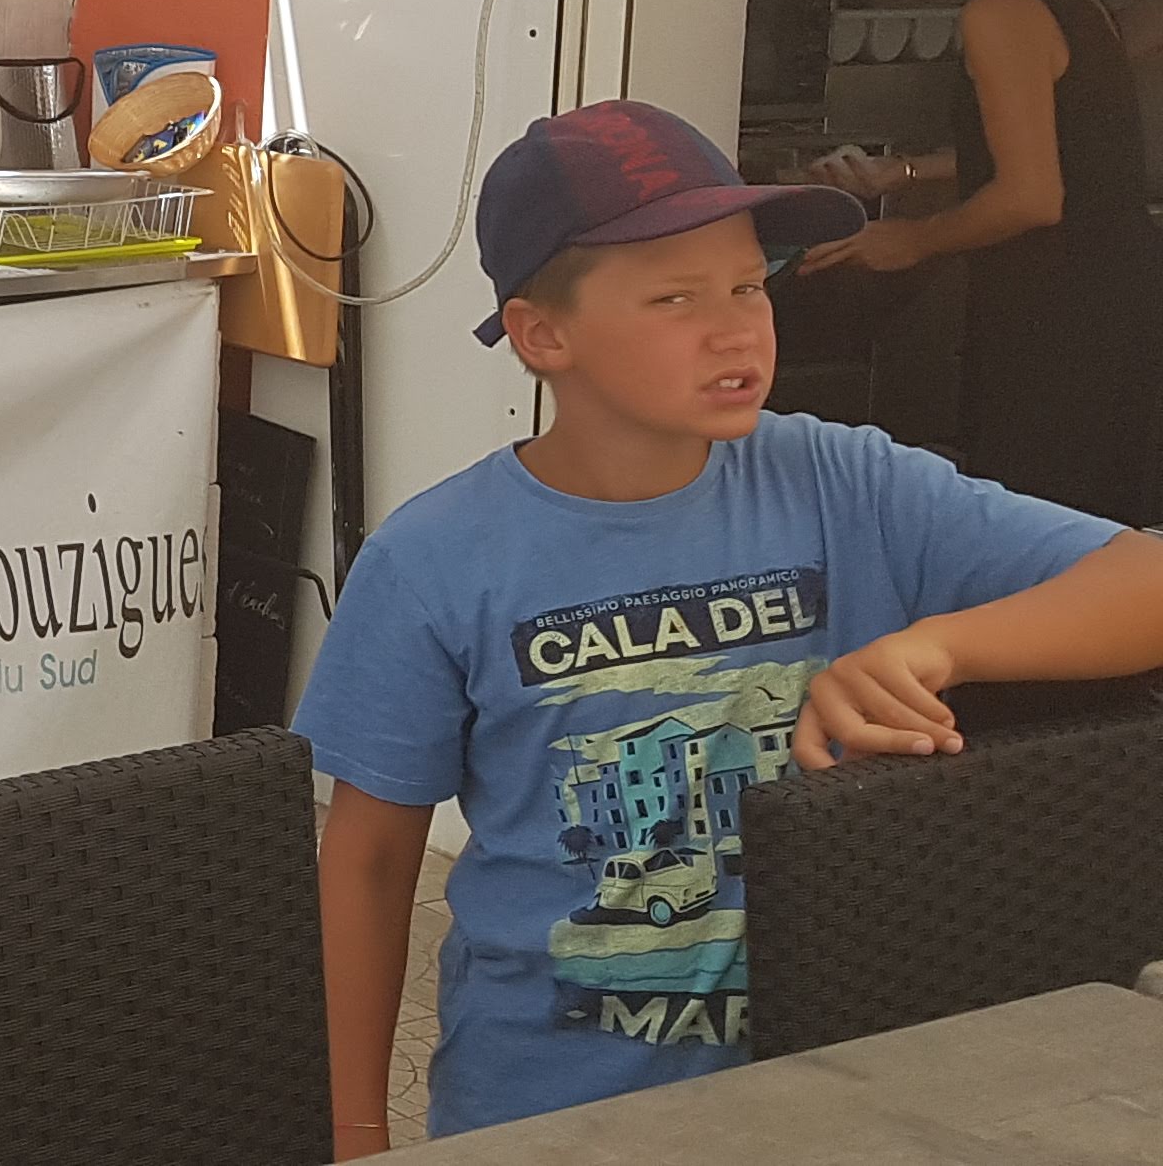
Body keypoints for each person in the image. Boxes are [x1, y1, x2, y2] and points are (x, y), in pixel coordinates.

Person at [297, 100, 1163, 1153]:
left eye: (751, 284)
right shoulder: (434, 558)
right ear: (542, 334)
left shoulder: (846, 481)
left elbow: (1146, 581)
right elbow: (369, 860)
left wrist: (936, 646)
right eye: (675, 297)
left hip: (847, 1088)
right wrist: (351, 1127)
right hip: (551, 1108)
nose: (737, 328)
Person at [806, 0, 1163, 525]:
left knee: (1041, 526)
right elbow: (1063, 144)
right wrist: (905, 174)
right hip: (1112, 303)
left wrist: (912, 239)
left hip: (1059, 319)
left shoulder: (999, 10)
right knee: (1092, 526)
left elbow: (1031, 195)